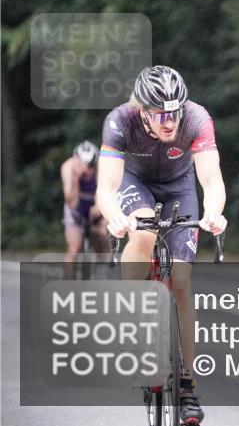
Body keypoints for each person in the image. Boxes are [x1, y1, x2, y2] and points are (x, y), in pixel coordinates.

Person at [96, 65, 227, 425]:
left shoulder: (197, 118)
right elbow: (106, 188)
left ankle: (187, 386)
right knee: (143, 230)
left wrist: (214, 213)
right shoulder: (120, 121)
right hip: (134, 183)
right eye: (161, 115)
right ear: (143, 112)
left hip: (179, 187)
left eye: (175, 113)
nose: (170, 122)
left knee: (182, 284)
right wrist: (115, 218)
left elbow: (211, 179)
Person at [61, 140, 106, 278]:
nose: (87, 170)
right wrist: (76, 178)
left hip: (97, 205)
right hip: (75, 209)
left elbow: (106, 194)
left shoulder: (102, 167)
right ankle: (69, 290)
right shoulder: (67, 168)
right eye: (84, 165)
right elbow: (72, 203)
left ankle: (104, 274)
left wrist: (99, 210)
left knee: (102, 235)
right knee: (74, 249)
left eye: (91, 166)